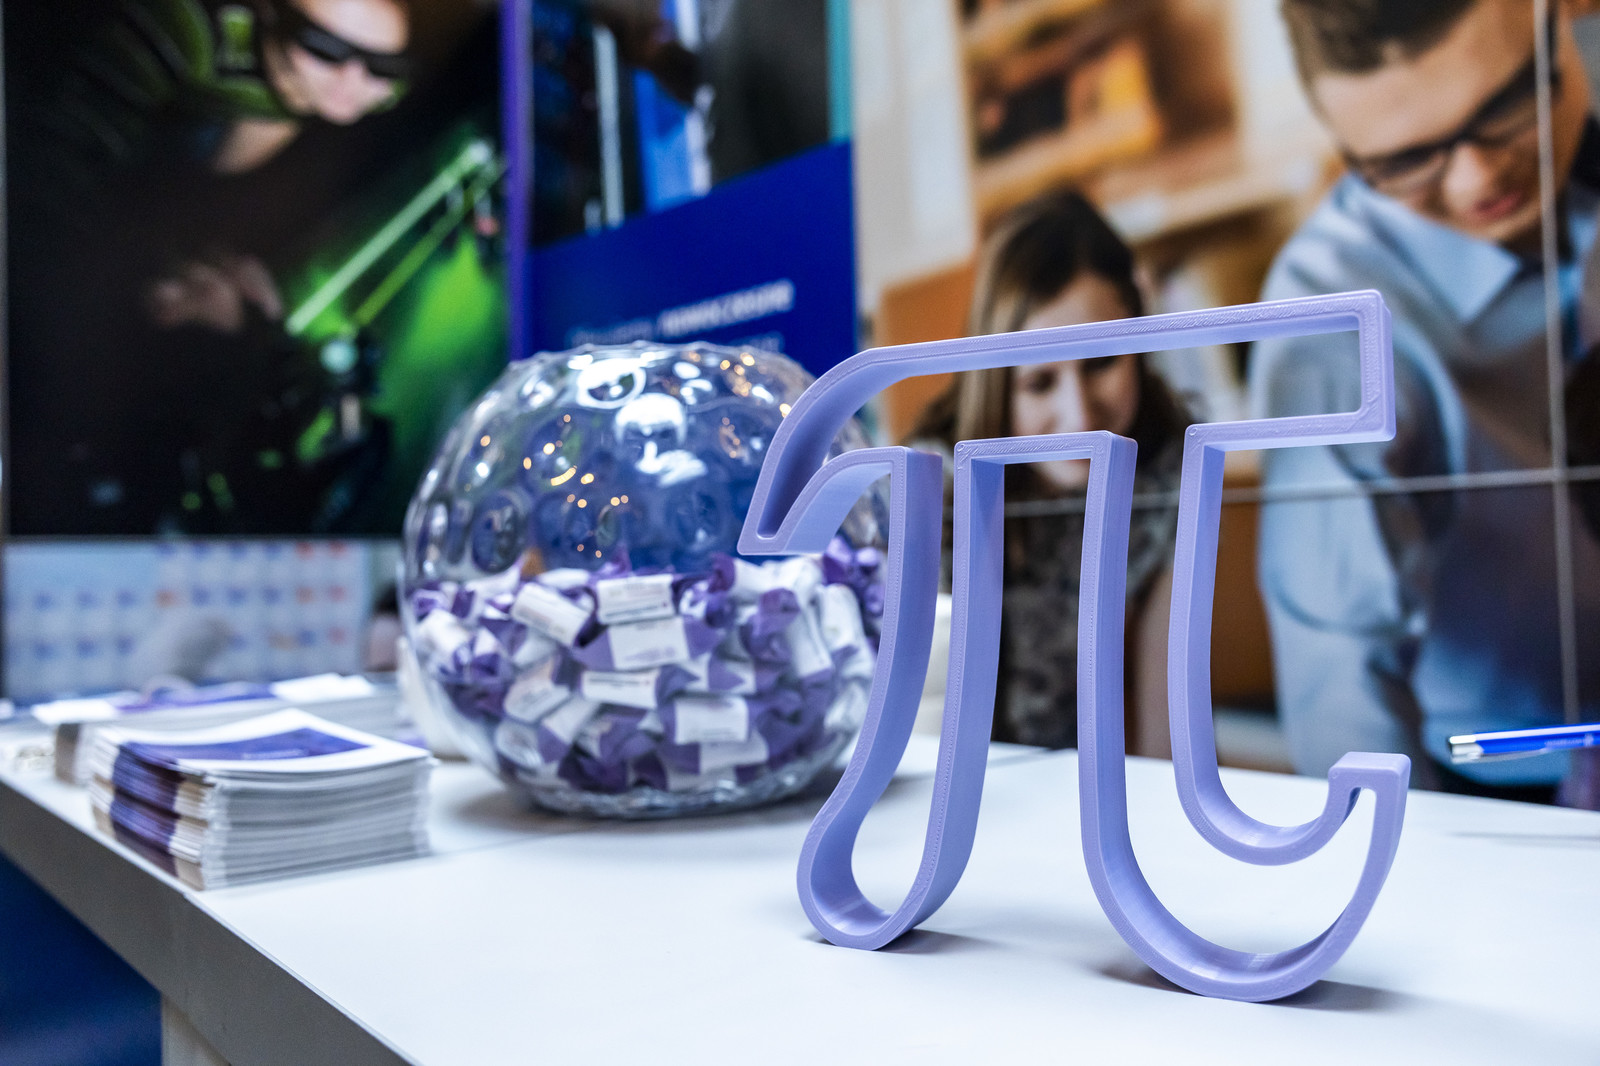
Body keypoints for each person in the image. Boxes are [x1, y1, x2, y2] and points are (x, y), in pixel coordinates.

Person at [1252, 0, 1600, 801]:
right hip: (1516, 786)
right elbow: (1343, 690)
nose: (1478, 178)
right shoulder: (1331, 323)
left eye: (1505, 104)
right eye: (1406, 160)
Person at [910, 191, 1191, 757]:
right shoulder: (928, 492)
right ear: (996, 385)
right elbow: (922, 738)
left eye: (1102, 363)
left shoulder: (1171, 463)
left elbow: (1167, 725)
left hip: (1084, 782)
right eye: (1040, 383)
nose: (1080, 417)